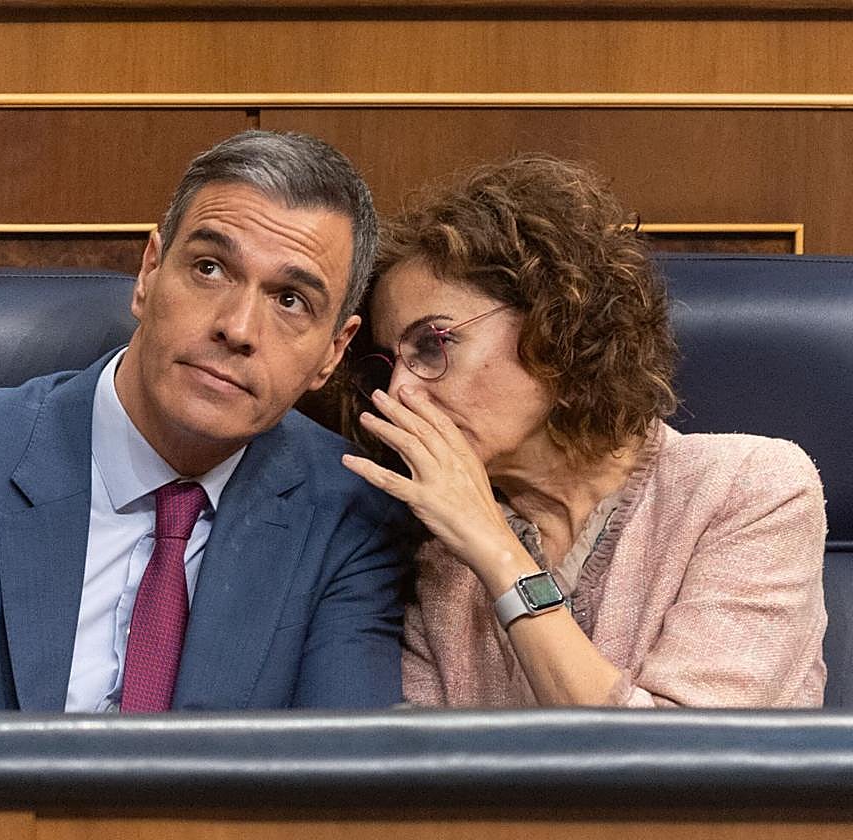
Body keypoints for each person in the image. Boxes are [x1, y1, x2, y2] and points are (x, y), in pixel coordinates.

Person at [0, 130, 405, 723]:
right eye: (209, 268)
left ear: (333, 353)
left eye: (290, 300)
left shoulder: (345, 517)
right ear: (148, 274)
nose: (236, 327)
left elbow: (341, 798)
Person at [342, 154, 827, 707]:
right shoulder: (444, 557)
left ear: (556, 327)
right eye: (389, 361)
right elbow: (429, 775)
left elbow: (684, 771)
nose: (401, 390)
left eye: (433, 342)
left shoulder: (750, 489)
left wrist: (497, 552)